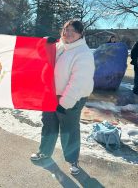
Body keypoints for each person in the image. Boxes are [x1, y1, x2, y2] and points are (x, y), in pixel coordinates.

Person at [30, 20, 95, 175]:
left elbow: (78, 82)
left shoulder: (83, 53)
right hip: (51, 94)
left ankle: (72, 160)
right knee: (49, 125)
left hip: (72, 97)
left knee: (69, 130)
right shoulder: (59, 47)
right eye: (66, 29)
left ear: (81, 34)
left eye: (73, 30)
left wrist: (65, 102)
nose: (68, 33)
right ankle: (44, 152)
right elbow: (40, 57)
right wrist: (45, 42)